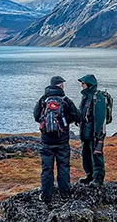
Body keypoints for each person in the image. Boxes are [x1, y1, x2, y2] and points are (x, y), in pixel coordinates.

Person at [34, 75, 80, 204]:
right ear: (60, 85)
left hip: (46, 141)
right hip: (62, 141)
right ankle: (64, 194)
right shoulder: (65, 100)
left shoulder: (43, 100)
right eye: (63, 84)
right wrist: (66, 122)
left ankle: (46, 196)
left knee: (47, 169)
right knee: (63, 167)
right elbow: (77, 116)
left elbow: (36, 116)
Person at [78, 74, 106, 188]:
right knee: (86, 154)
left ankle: (98, 178)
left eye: (83, 84)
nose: (81, 86)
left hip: (94, 132)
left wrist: (97, 133)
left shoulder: (97, 97)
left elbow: (99, 116)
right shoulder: (85, 96)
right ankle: (89, 175)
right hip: (85, 131)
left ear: (89, 84)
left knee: (96, 154)